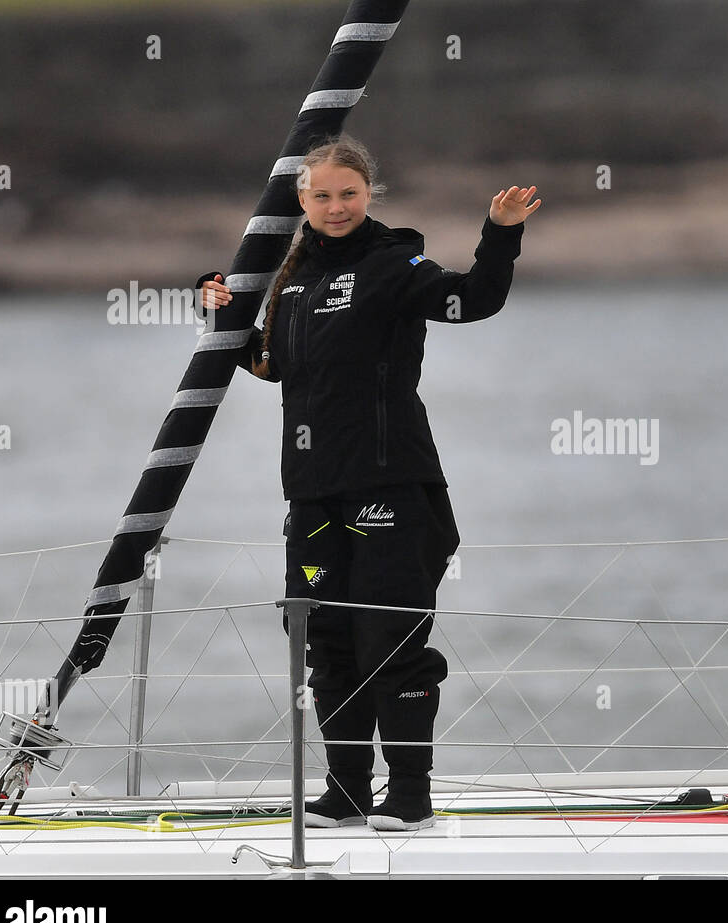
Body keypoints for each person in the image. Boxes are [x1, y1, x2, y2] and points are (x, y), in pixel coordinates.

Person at [197, 134, 539, 830]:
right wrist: (215, 308)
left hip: (393, 491)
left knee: (391, 645)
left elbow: (470, 301)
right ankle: (347, 792)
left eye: (348, 194)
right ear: (302, 200)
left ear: (367, 194)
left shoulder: (393, 264)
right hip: (313, 493)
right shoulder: (292, 280)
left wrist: (500, 235)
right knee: (328, 647)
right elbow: (270, 365)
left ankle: (410, 799)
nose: (335, 206)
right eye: (321, 195)